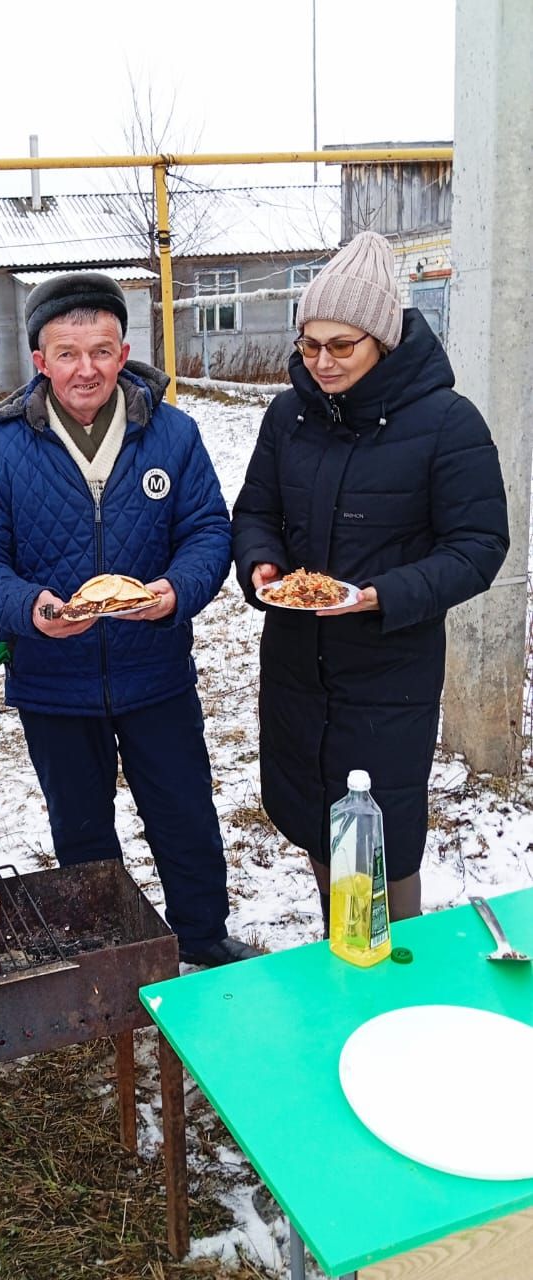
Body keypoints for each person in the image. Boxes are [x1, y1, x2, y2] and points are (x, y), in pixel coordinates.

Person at [0, 271, 258, 968]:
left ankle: (202, 938)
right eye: (66, 353)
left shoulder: (172, 434)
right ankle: (109, 952)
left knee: (182, 813)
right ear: (39, 361)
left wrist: (177, 591)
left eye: (100, 350)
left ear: (123, 354)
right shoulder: (0, 447)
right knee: (81, 828)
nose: (84, 368)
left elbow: (208, 529)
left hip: (155, 670)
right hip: (53, 680)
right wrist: (29, 609)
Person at [230, 231, 509, 934]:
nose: (320, 362)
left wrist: (380, 595)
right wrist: (261, 561)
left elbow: (478, 546)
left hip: (388, 672)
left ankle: (387, 977)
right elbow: (256, 508)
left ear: (381, 340)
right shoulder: (287, 415)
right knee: (315, 816)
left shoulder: (446, 424)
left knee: (379, 836)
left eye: (340, 346)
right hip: (296, 663)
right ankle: (338, 946)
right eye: (308, 344)